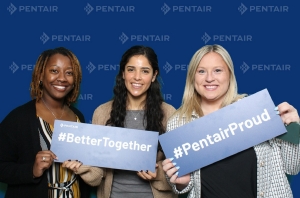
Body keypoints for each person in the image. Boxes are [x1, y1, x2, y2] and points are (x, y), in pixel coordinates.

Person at [162, 44, 300, 198]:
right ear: (192, 77)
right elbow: (183, 185)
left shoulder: (255, 111)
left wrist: (294, 129)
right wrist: (182, 183)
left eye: (218, 70)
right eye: (201, 71)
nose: (209, 78)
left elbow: (292, 168)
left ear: (229, 75)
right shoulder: (178, 122)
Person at [75, 45, 177, 198]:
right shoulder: (102, 113)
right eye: (131, 69)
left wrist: (158, 173)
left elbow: (180, 170)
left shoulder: (169, 113)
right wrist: (80, 166)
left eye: (145, 71)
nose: (137, 77)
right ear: (123, 73)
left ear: (154, 75)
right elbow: (97, 174)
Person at [0, 47, 90, 198]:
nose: (62, 78)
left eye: (69, 73)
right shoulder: (19, 118)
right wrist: (32, 170)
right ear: (41, 74)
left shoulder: (78, 117)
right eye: (54, 71)